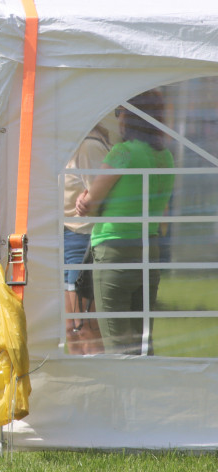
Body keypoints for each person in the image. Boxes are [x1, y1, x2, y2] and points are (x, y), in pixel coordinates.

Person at [75, 90, 173, 355]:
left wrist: (86, 197)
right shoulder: (166, 158)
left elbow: (91, 205)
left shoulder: (122, 153)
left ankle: (125, 394)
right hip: (149, 247)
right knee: (143, 338)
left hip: (114, 249)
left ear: (130, 117)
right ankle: (146, 392)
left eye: (120, 112)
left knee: (117, 339)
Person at [62, 122, 110, 355]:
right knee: (71, 327)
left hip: (83, 239)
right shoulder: (72, 143)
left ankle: (96, 387)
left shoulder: (89, 145)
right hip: (68, 236)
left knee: (85, 327)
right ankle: (78, 386)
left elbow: (103, 198)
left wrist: (89, 199)